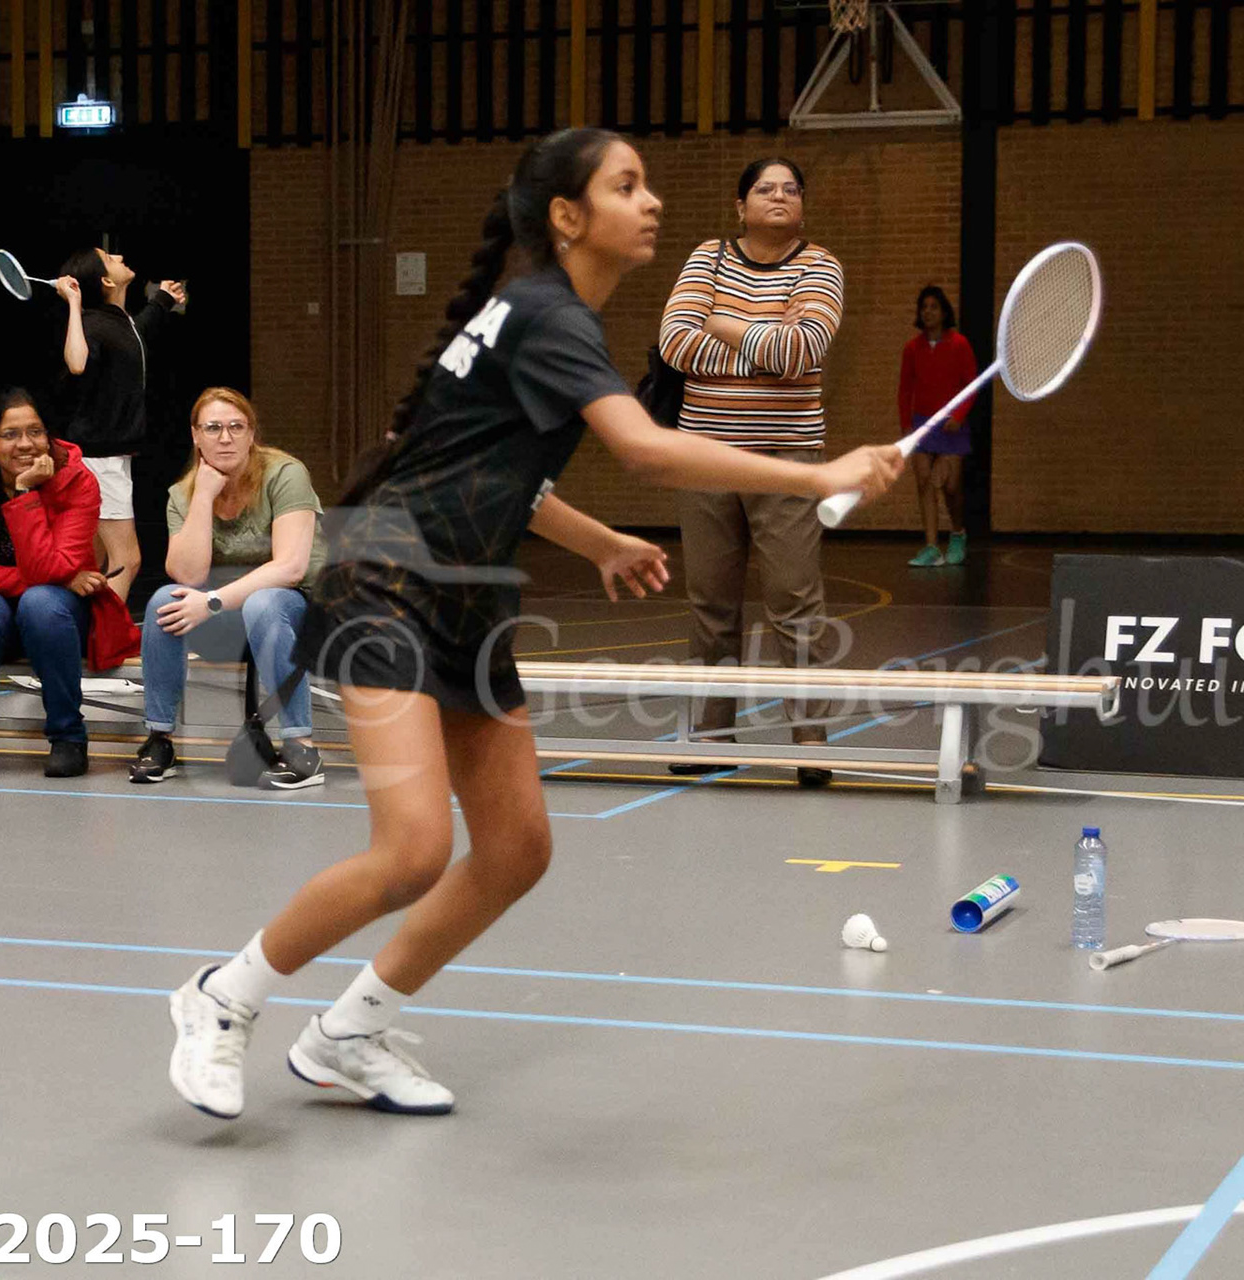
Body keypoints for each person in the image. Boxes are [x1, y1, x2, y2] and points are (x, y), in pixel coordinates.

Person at [164, 127, 901, 1121]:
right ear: (567, 216)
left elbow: (486, 465)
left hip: (466, 594)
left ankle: (348, 1032)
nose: (651, 202)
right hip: (390, 582)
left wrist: (596, 541)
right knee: (414, 847)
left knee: (515, 847)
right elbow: (647, 450)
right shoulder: (547, 313)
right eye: (626, 186)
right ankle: (223, 995)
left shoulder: (539, 314)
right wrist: (818, 474)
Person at [656, 157, 845, 785]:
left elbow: (803, 349)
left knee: (795, 603)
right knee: (710, 603)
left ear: (802, 205)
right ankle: (710, 737)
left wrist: (721, 323)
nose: (779, 196)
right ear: (741, 206)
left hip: (788, 462)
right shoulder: (707, 257)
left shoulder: (820, 265)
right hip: (705, 459)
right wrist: (762, 343)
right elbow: (675, 343)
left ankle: (810, 743)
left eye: (791, 188)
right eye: (765, 189)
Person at [0, 389, 142, 777]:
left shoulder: (77, 479)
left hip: (59, 618)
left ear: (49, 436)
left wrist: (25, 492)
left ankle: (68, 736)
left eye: (35, 431)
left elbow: (54, 567)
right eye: (10, 434)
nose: (25, 443)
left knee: (41, 603)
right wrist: (35, 579)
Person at [131, 387, 327, 790]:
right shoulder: (183, 494)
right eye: (213, 428)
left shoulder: (285, 474)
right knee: (163, 602)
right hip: (228, 611)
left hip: (300, 610)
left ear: (251, 433)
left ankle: (302, 748)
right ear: (195, 435)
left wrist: (214, 601)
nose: (225, 437)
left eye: (237, 427)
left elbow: (291, 567)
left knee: (264, 603)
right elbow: (186, 574)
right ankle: (159, 739)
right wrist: (204, 496)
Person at [55, 246, 186, 603]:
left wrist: (162, 300)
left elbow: (137, 333)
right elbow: (77, 363)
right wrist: (74, 305)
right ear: (107, 281)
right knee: (127, 560)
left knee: (91, 561)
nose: (119, 257)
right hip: (99, 462)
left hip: (108, 459)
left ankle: (80, 628)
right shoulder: (93, 324)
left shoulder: (120, 323)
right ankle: (108, 633)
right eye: (110, 259)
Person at [899, 285, 979, 566]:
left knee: (951, 486)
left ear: (944, 312)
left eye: (933, 307)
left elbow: (971, 385)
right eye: (924, 307)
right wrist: (906, 425)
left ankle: (957, 534)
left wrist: (959, 416)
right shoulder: (912, 348)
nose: (928, 312)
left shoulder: (960, 344)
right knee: (924, 481)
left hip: (951, 425)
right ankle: (931, 547)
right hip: (922, 423)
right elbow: (905, 390)